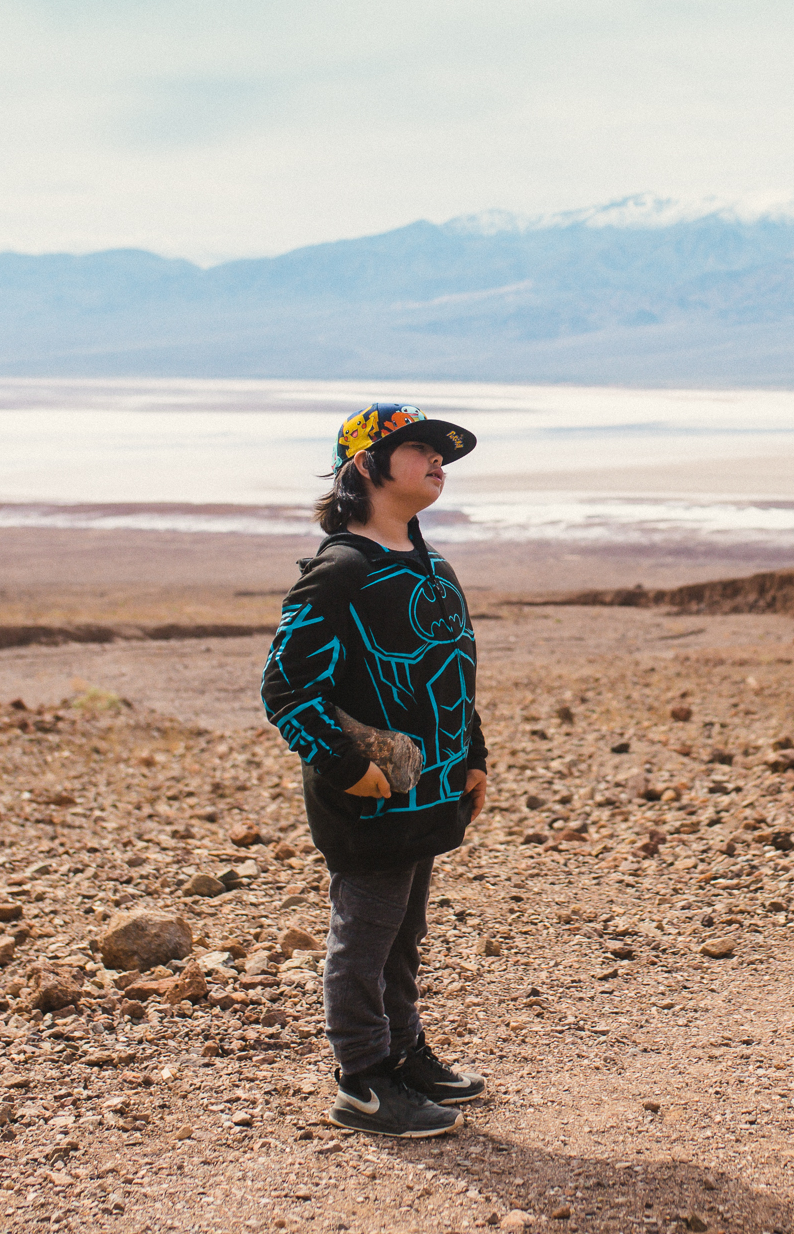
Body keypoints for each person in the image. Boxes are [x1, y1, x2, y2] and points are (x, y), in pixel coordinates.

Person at [260, 402, 491, 1139]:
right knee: (365, 935)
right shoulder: (342, 571)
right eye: (419, 449)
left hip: (428, 791)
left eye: (440, 453)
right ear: (366, 466)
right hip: (369, 799)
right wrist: (343, 764)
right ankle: (363, 1078)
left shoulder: (430, 565)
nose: (437, 462)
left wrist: (474, 756)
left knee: (403, 930)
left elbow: (450, 670)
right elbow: (287, 686)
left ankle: (403, 1051)